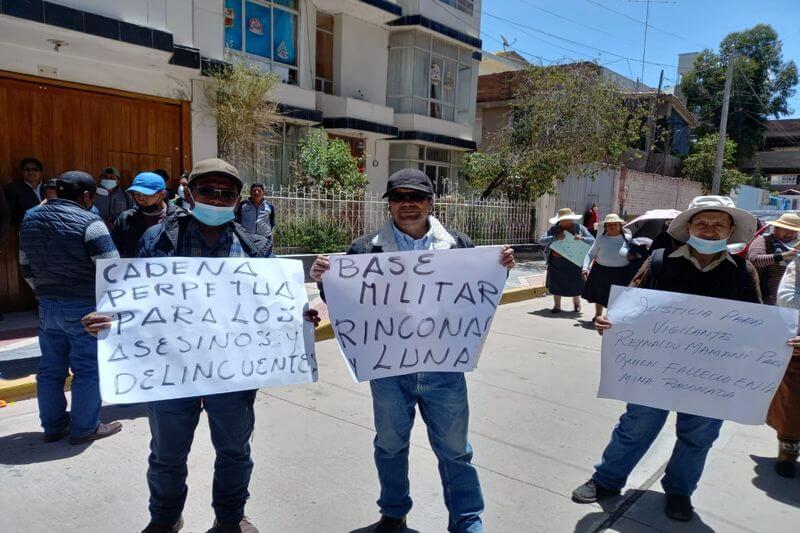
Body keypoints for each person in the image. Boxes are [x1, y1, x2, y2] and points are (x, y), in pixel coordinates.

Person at [83, 158, 317, 533]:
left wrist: (300, 317)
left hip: (232, 375)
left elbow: (276, 304)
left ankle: (230, 518)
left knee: (235, 452)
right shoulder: (155, 239)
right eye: (208, 191)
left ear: (238, 200)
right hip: (170, 372)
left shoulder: (255, 248)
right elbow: (134, 299)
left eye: (227, 194)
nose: (217, 199)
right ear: (189, 191)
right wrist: (109, 320)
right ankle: (164, 518)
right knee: (167, 455)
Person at [309, 168, 515, 533]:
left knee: (456, 450)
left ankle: (467, 519)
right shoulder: (363, 249)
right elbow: (344, 303)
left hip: (444, 370)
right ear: (388, 204)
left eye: (416, 196)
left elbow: (478, 297)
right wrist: (325, 280)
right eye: (399, 197)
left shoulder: (459, 244)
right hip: (389, 371)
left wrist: (498, 270)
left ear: (430, 202)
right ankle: (393, 513)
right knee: (389, 446)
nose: (408, 204)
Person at [570, 196, 800, 522]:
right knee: (635, 427)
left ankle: (679, 492)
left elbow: (758, 323)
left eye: (717, 224)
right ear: (688, 227)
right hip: (655, 369)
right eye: (702, 223)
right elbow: (630, 308)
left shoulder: (742, 271)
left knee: (698, 437)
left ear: (730, 230)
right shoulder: (660, 261)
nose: (709, 230)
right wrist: (609, 322)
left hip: (712, 376)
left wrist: (785, 341)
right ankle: (607, 479)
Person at [18, 171, 123, 444]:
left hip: (47, 305)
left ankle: (53, 427)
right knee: (87, 368)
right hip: (85, 306)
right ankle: (85, 427)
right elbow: (111, 266)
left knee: (50, 369)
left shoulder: (29, 219)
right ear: (87, 195)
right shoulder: (91, 222)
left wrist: (44, 293)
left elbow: (25, 265)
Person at [770, 261, 800, 478]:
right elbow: (788, 301)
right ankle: (788, 452)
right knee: (792, 405)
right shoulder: (796, 267)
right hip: (797, 344)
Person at [581, 214, 635, 321]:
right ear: (605, 227)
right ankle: (598, 315)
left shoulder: (629, 239)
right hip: (601, 271)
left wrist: (633, 255)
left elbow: (637, 255)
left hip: (622, 272)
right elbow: (590, 254)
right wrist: (585, 268)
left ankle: (612, 316)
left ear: (620, 226)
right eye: (609, 225)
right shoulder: (601, 239)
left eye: (615, 224)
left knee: (617, 296)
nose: (612, 227)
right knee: (600, 294)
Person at [111, 172, 178, 258]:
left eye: (146, 194)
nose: (140, 199)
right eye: (137, 194)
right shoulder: (125, 219)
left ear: (162, 194)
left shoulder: (180, 218)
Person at [540, 208, 595, 313]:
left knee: (575, 284)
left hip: (575, 261)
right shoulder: (554, 230)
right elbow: (541, 240)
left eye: (568, 219)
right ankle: (557, 306)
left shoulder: (580, 228)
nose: (566, 221)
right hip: (556, 262)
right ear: (559, 220)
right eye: (563, 219)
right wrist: (555, 237)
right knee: (556, 285)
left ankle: (576, 302)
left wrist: (582, 238)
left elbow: (593, 240)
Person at [748, 213, 800, 305]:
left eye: (794, 231)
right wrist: (784, 255)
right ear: (776, 228)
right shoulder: (763, 241)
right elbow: (755, 260)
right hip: (766, 298)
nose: (790, 233)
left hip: (791, 299)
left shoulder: (797, 245)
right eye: (786, 229)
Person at [6, 157, 45, 227]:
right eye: (27, 169)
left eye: (35, 169)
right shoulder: (13, 189)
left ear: (41, 173)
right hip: (27, 229)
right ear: (22, 172)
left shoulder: (49, 187)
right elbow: (10, 214)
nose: (31, 172)